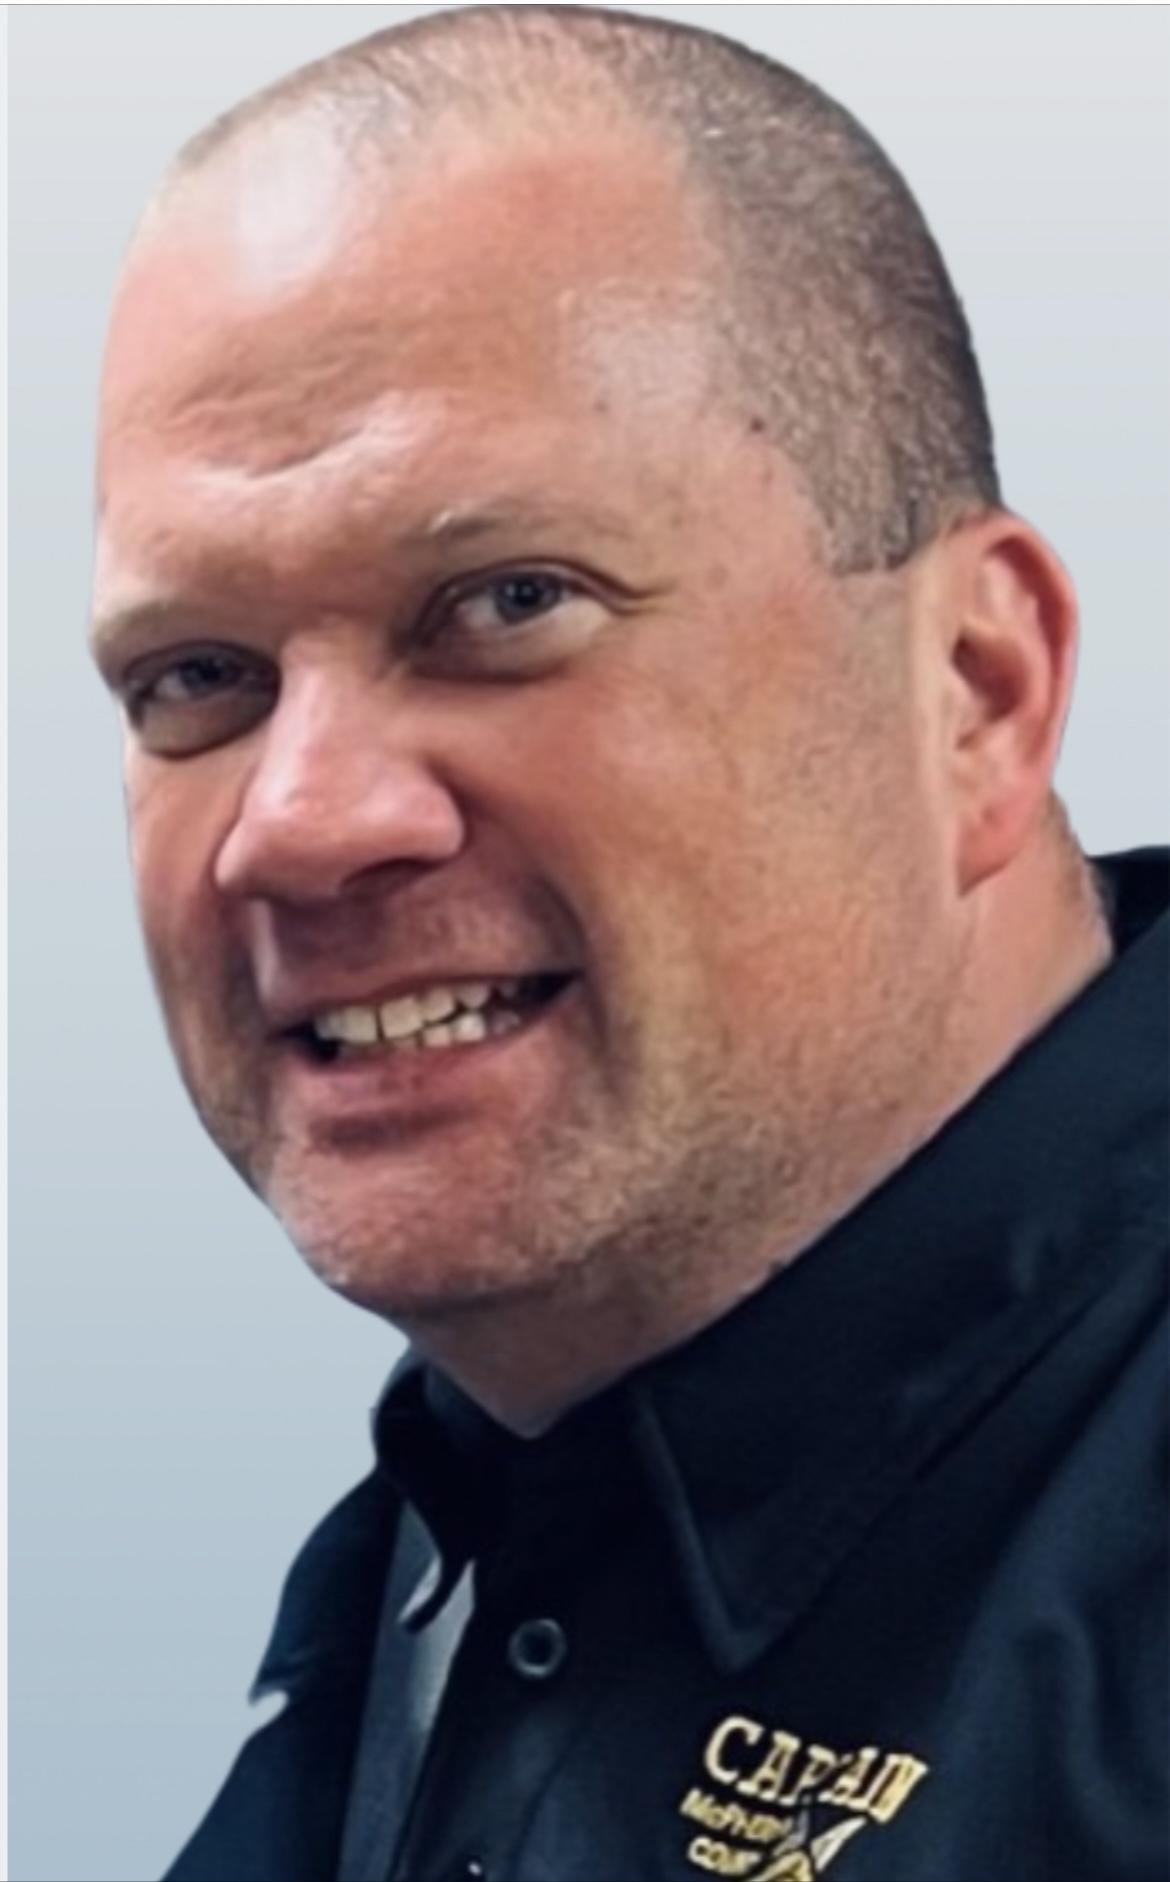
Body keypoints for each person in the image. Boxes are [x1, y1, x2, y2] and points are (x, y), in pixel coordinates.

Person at [89, 7, 1167, 1880]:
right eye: (202, 677)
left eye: (507, 602)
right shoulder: (474, 1508)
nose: (300, 818)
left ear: (973, 693)